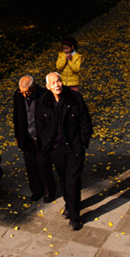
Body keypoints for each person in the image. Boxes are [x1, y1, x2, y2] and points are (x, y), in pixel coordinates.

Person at [37, 71, 92, 231]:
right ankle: (69, 205)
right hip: (56, 149)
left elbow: (85, 121)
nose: (57, 85)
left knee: (73, 181)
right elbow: (40, 124)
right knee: (63, 179)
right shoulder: (44, 102)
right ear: (47, 87)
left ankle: (75, 217)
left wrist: (82, 142)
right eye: (53, 83)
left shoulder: (75, 99)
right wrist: (48, 141)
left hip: (74, 148)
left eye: (59, 81)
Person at [13, 75, 56, 203]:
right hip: (26, 136)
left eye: (27, 92)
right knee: (30, 166)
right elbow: (17, 115)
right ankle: (36, 191)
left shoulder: (44, 95)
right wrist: (17, 135)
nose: (25, 95)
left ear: (33, 87)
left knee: (44, 165)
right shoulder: (18, 95)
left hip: (41, 136)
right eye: (22, 92)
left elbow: (51, 118)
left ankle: (49, 191)